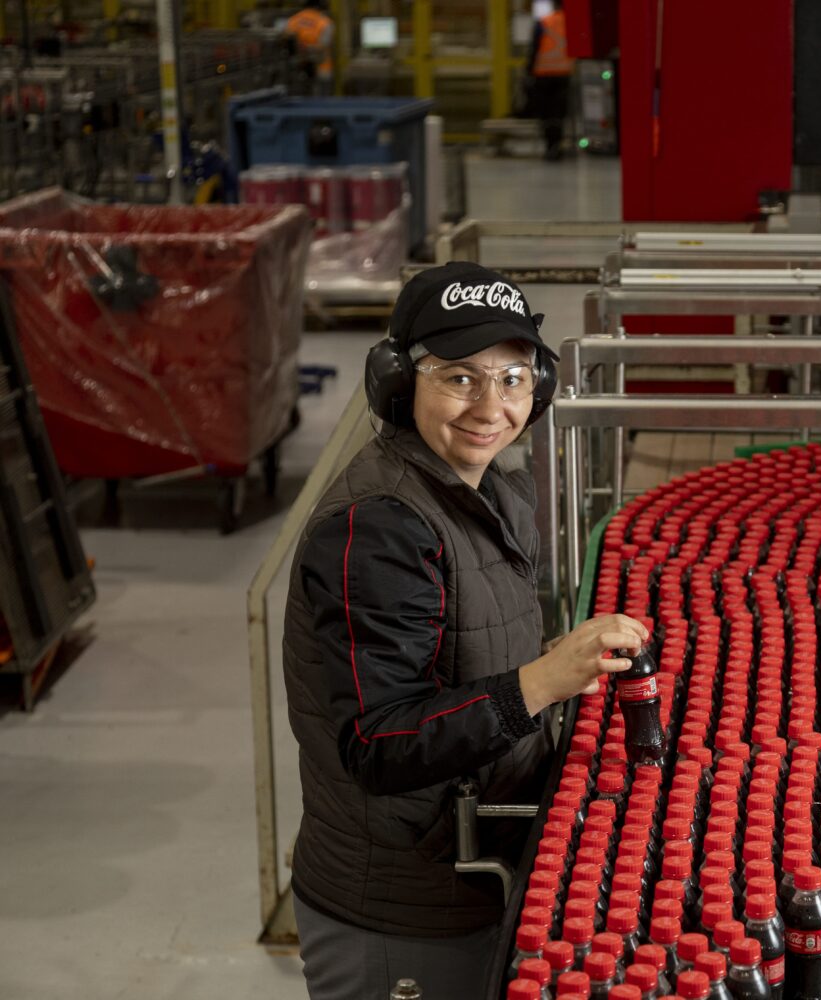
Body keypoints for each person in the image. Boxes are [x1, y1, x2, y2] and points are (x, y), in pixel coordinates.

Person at [283, 261, 649, 1000]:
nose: (491, 405)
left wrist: (550, 665)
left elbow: (453, 652)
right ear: (396, 382)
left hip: (472, 872)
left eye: (514, 378)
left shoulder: (485, 491)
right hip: (402, 915)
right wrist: (541, 683)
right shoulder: (378, 526)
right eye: (458, 377)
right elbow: (380, 742)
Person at [528, 3, 575, 160]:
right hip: (563, 73)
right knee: (558, 113)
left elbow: (534, 48)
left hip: (543, 74)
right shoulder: (570, 22)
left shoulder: (544, 22)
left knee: (546, 114)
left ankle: (550, 146)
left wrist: (529, 71)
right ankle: (557, 145)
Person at [285, 0, 335, 96]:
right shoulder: (325, 22)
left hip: (297, 69)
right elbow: (323, 46)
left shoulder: (293, 20)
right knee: (322, 104)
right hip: (322, 69)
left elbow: (287, 40)